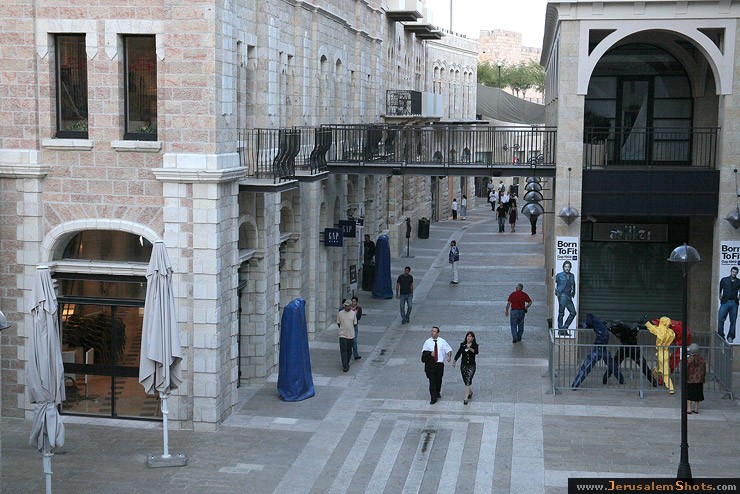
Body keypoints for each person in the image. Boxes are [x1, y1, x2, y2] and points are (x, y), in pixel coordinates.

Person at [421, 326, 452, 404]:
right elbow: (424, 353)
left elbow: (448, 350)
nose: (432, 332)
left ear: (438, 333)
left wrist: (449, 356)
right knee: (432, 381)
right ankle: (433, 398)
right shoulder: (427, 342)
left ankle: (437, 392)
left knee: (438, 380)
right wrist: (430, 354)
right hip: (431, 365)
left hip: (439, 364)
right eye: (431, 331)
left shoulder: (442, 341)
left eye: (434, 331)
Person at [645, 316, 675, 394]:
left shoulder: (660, 331)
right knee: (659, 368)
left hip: (661, 353)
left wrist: (646, 323)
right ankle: (653, 376)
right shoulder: (671, 332)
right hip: (666, 352)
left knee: (665, 372)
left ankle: (671, 388)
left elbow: (652, 329)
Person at [452, 331, 478, 405]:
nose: (468, 338)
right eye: (468, 336)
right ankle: (470, 392)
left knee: (468, 380)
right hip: (463, 365)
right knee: (466, 380)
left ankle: (465, 398)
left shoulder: (474, 345)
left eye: (470, 336)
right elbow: (459, 353)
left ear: (473, 338)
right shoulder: (462, 345)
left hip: (471, 366)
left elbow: (476, 352)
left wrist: (469, 348)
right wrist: (454, 360)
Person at [717, 266, 739, 343]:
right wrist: (720, 295)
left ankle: (730, 336)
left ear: (737, 273)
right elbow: (720, 288)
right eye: (733, 272)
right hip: (725, 302)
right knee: (720, 319)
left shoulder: (738, 281)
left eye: (735, 272)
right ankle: (721, 336)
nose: (734, 273)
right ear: (731, 272)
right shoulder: (724, 280)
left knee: (733, 321)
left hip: (734, 302)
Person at [555, 260, 577, 335]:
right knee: (561, 313)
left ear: (570, 268)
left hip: (569, 296)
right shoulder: (559, 275)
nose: (567, 268)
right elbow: (552, 283)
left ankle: (563, 329)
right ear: (563, 267)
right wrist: (557, 293)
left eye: (568, 267)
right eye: (565, 266)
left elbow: (573, 285)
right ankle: (561, 330)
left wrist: (573, 294)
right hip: (562, 295)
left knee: (573, 313)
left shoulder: (572, 275)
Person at [336, 300, 357, 372]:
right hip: (342, 334)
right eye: (345, 305)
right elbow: (338, 323)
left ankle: (347, 362)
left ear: (350, 306)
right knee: (343, 350)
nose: (346, 307)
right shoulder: (340, 313)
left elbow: (354, 324)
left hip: (351, 335)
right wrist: (342, 329)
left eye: (347, 306)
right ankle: (345, 365)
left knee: (349, 350)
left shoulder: (353, 314)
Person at [686, 343, 706, 413]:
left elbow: (686, 369)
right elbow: (704, 369)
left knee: (689, 394)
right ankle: (696, 408)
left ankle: (689, 408)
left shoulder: (689, 359)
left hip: (690, 379)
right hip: (699, 380)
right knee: (698, 393)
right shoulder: (702, 359)